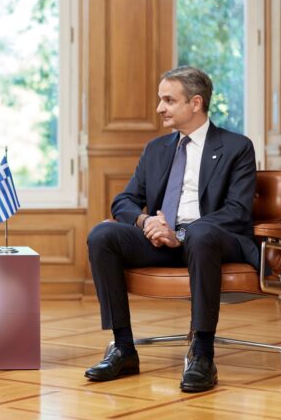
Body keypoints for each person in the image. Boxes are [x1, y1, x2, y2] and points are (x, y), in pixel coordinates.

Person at [85, 66, 258, 392]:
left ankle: (202, 354)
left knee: (200, 234)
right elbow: (124, 200)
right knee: (102, 235)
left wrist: (180, 235)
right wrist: (147, 222)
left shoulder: (237, 147)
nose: (159, 108)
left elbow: (236, 212)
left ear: (196, 102)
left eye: (168, 100)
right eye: (160, 99)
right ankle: (123, 348)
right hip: (163, 240)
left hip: (212, 242)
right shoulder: (156, 149)